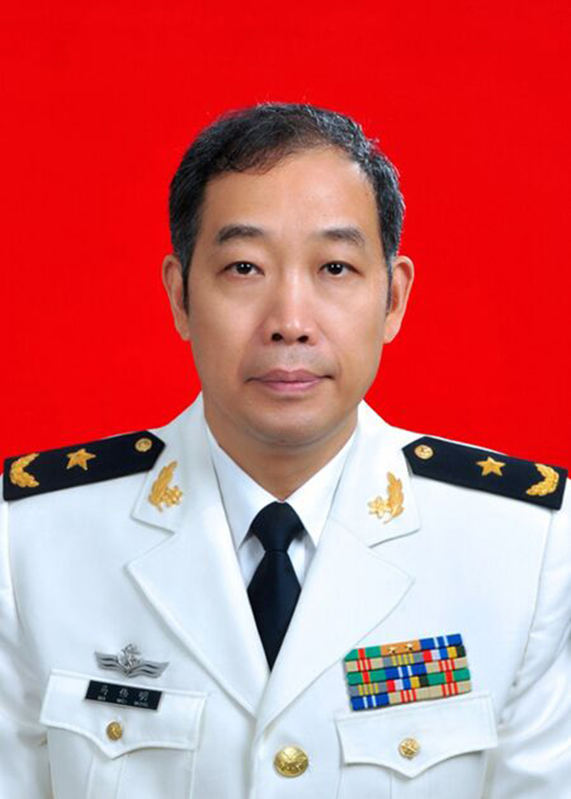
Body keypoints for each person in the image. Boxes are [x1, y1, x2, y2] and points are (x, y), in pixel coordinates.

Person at [0, 102, 569, 798]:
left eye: (334, 267)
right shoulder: (28, 541)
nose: (290, 322)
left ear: (393, 298)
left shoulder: (526, 549)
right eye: (244, 267)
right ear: (180, 296)